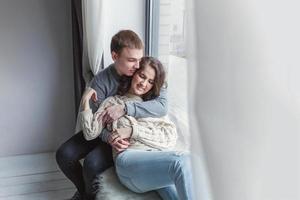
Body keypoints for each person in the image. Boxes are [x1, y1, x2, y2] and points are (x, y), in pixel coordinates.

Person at [55, 30, 168, 200]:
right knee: (64, 154)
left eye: (139, 59)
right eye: (131, 60)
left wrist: (125, 109)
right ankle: (84, 192)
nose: (137, 65)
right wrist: (109, 136)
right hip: (102, 130)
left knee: (92, 163)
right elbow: (92, 123)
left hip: (126, 130)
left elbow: (163, 106)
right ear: (115, 56)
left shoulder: (144, 72)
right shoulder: (100, 82)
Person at [80, 56, 193, 200]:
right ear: (134, 72)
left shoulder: (153, 106)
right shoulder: (113, 103)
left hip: (156, 158)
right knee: (182, 162)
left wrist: (133, 131)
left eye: (150, 81)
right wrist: (85, 101)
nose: (143, 83)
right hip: (129, 161)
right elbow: (90, 133)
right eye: (142, 76)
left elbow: (170, 136)